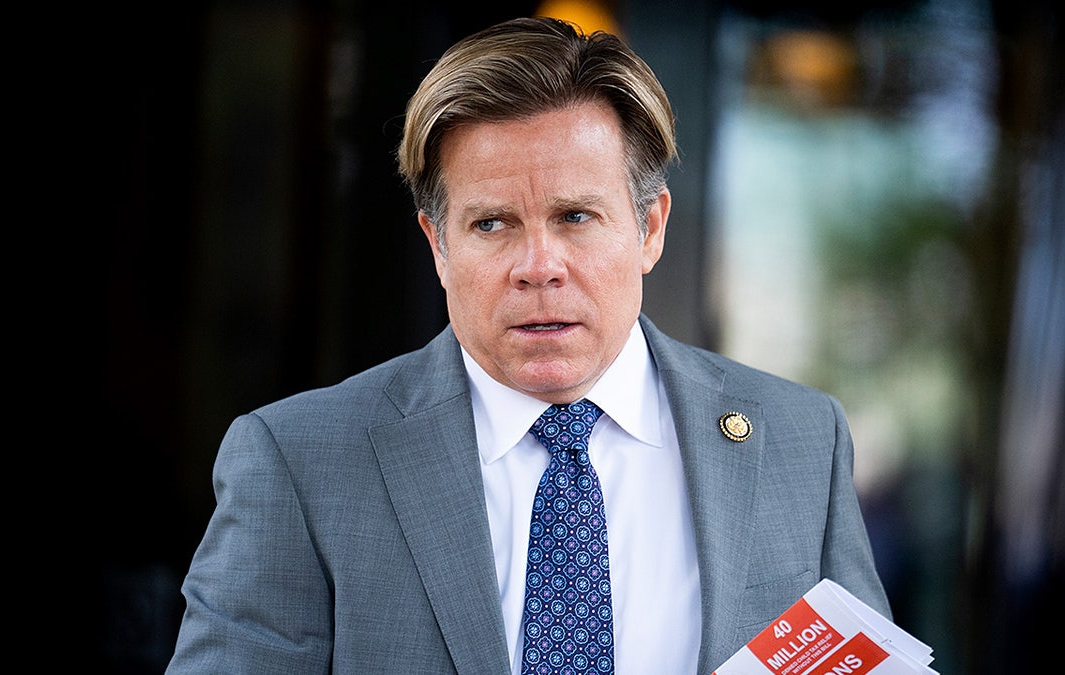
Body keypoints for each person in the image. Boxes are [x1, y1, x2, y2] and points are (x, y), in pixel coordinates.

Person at [166, 16, 890, 675]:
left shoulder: (800, 440)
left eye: (575, 215)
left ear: (650, 228)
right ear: (437, 244)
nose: (538, 264)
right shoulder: (298, 463)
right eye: (492, 224)